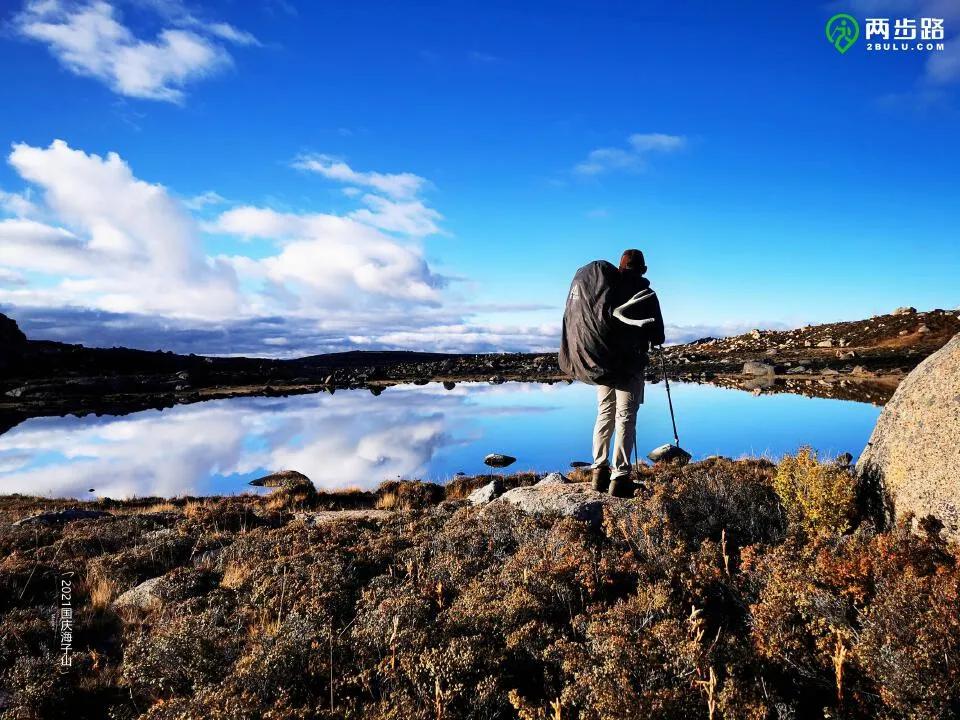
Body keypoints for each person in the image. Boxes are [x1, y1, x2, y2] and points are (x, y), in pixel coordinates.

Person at [591, 249, 665, 497]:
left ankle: (598, 471)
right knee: (625, 418)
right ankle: (620, 477)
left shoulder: (605, 290)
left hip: (603, 364)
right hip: (629, 365)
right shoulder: (647, 294)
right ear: (643, 269)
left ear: (620, 267)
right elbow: (658, 336)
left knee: (604, 413)